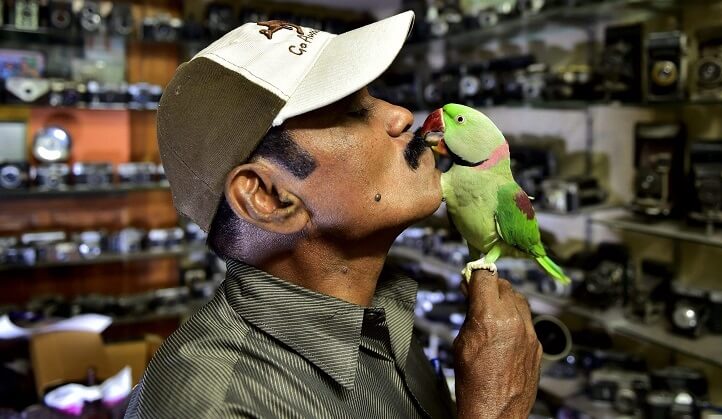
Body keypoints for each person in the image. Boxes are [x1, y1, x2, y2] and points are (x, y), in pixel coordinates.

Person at [125, 10, 542, 419]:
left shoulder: (378, 318)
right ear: (267, 198)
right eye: (351, 112)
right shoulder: (214, 405)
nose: (400, 115)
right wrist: (495, 410)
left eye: (371, 97)